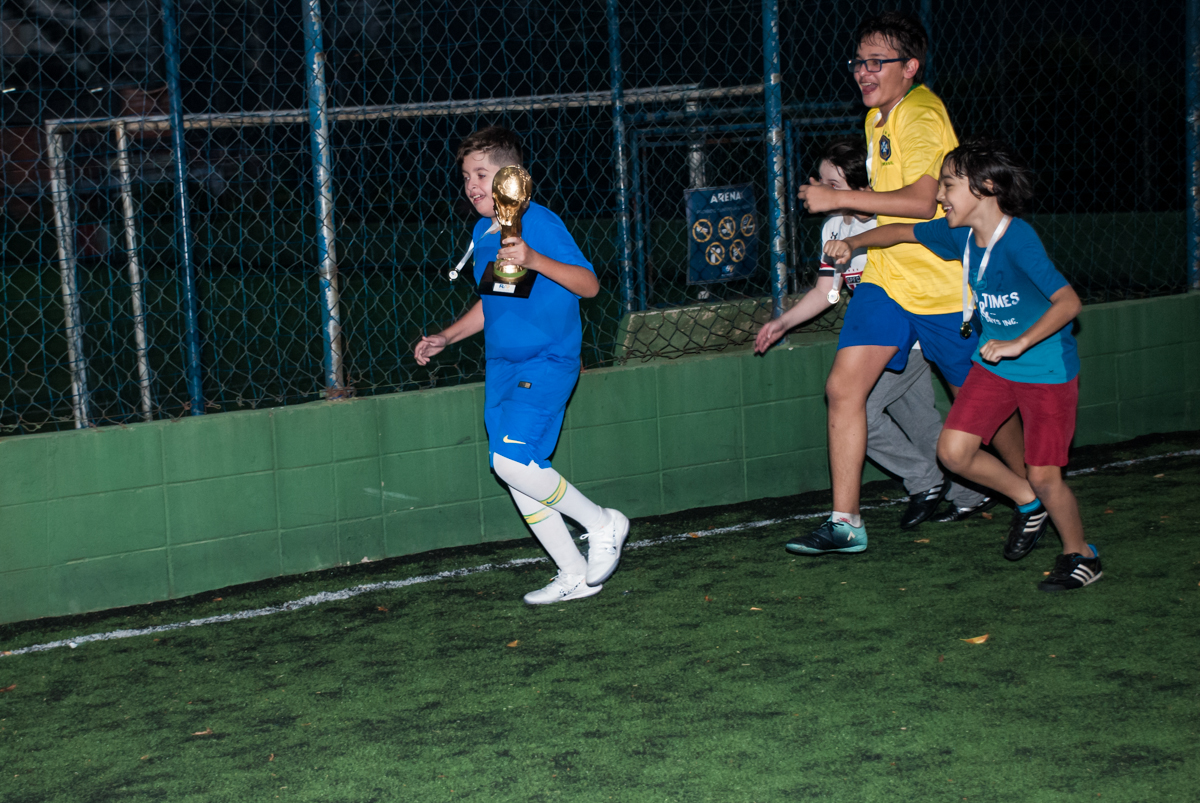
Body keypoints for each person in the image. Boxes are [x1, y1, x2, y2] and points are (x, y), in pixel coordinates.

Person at [791, 11, 1022, 555]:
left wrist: (839, 198)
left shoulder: (923, 115)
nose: (863, 72)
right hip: (889, 280)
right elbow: (896, 215)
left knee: (980, 407)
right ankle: (846, 522)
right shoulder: (877, 120)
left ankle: (1035, 483)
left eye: (877, 63)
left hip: (941, 287)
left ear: (909, 67)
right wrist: (858, 243)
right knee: (843, 390)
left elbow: (924, 203)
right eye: (859, 62)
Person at [824, 137, 1100, 592]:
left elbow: (1068, 301)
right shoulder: (960, 236)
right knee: (953, 452)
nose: (937, 195)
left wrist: (1019, 342)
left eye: (948, 185)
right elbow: (898, 232)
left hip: (1045, 371)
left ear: (986, 187)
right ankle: (1027, 503)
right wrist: (852, 242)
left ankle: (1080, 555)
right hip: (995, 368)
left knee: (1046, 475)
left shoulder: (1019, 241)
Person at [414, 126, 629, 604]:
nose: (471, 185)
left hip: (548, 359)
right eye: (466, 176)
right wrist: (447, 335)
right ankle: (572, 571)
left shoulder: (539, 223)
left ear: (512, 179)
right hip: (503, 366)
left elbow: (589, 285)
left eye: (482, 174)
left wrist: (534, 257)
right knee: (517, 468)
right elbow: (493, 300)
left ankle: (601, 522)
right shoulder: (483, 231)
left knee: (510, 459)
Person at [755, 138, 994, 540]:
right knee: (922, 425)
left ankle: (926, 481)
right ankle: (971, 494)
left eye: (835, 184)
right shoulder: (835, 227)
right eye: (823, 182)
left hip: (911, 338)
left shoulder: (882, 226)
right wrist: (783, 323)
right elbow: (826, 292)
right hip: (886, 346)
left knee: (858, 411)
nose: (824, 191)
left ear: (865, 190)